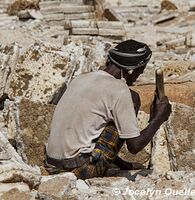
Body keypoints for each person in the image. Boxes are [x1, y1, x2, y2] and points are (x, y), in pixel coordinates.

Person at [45, 39, 172, 180]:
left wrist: (121, 163)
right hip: (77, 169)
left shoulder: (81, 78)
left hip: (51, 165)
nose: (137, 78)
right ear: (131, 70)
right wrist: (159, 117)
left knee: (108, 114)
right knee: (133, 98)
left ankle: (116, 162)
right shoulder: (120, 91)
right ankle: (100, 164)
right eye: (139, 72)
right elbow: (134, 146)